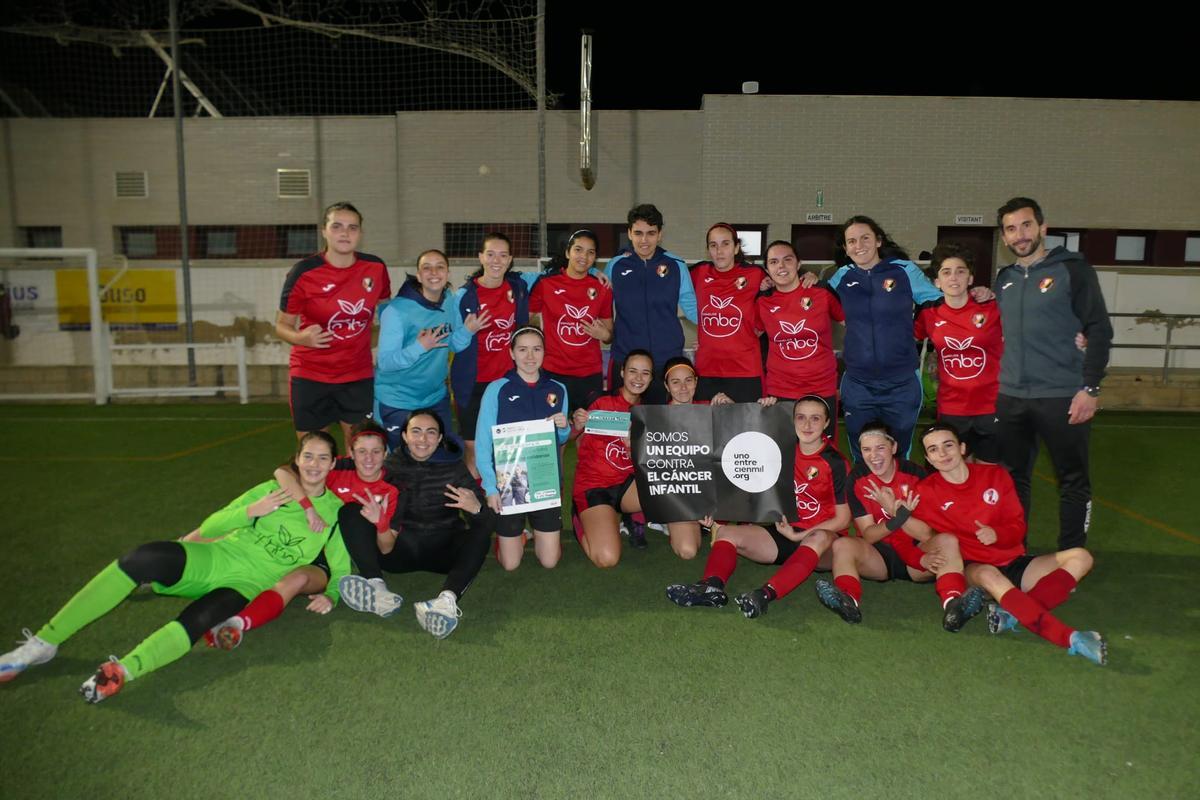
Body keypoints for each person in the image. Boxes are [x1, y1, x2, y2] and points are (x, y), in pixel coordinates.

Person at [0, 433, 352, 700]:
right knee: (142, 558)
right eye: (308, 456)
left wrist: (333, 595)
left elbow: (339, 566)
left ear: (333, 464)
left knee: (199, 619)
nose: (314, 464)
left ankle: (124, 669)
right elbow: (212, 526)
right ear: (297, 458)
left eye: (323, 458)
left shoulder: (335, 514)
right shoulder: (271, 490)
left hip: (247, 585)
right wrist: (251, 511)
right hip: (217, 558)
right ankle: (45, 642)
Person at [908, 423, 1106, 664]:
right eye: (934, 449)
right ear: (928, 458)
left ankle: (1011, 612)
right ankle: (1070, 638)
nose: (943, 454)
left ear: (961, 447)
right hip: (976, 570)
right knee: (989, 574)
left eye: (948, 445)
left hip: (1012, 561)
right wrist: (894, 513)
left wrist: (997, 534)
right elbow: (913, 534)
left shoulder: (995, 475)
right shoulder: (926, 492)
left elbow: (1017, 525)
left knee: (1081, 557)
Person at [201, 421, 398, 649]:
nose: (369, 458)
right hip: (304, 541)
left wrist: (380, 522)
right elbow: (282, 472)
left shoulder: (391, 487)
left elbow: (386, 548)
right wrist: (308, 507)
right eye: (362, 451)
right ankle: (176, 553)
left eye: (376, 452)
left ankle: (236, 624)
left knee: (348, 515)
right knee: (219, 534)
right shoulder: (334, 468)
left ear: (386, 453)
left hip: (339, 554)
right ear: (350, 454)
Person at [994, 197, 1113, 549]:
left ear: (1043, 227)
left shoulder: (1073, 269)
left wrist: (1089, 388)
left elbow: (1100, 329)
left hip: (1063, 394)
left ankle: (1070, 559)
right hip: (1012, 396)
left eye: (1026, 225)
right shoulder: (1004, 279)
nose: (1020, 234)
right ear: (1003, 238)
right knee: (1014, 480)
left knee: (1072, 481)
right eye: (1011, 229)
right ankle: (1015, 553)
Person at [665, 396, 851, 618]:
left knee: (818, 537)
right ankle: (711, 588)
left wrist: (797, 535)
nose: (807, 425)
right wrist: (745, 408)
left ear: (827, 423)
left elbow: (843, 519)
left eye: (815, 418)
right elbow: (741, 456)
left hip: (824, 544)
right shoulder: (781, 447)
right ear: (791, 420)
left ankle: (764, 595)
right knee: (726, 532)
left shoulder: (836, 462)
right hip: (785, 532)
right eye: (800, 417)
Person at [813, 421, 984, 631]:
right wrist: (897, 518)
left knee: (948, 540)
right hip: (878, 558)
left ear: (893, 448)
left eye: (880, 448)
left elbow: (926, 534)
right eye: (866, 450)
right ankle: (848, 601)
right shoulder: (857, 479)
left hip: (918, 556)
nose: (873, 456)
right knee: (844, 545)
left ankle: (954, 605)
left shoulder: (916, 475)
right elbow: (869, 536)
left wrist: (896, 514)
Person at [336, 410, 492, 639]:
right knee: (350, 511)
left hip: (443, 551)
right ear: (405, 436)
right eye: (416, 432)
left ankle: (445, 601)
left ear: (439, 439)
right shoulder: (389, 465)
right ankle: (377, 588)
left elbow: (488, 522)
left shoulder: (454, 467)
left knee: (480, 534)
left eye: (431, 433)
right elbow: (319, 469)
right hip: (397, 551)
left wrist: (476, 509)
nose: (423, 439)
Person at [827, 216, 943, 460]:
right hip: (858, 384)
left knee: (898, 455)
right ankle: (864, 499)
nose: (859, 245)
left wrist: (918, 329)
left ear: (878, 241)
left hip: (901, 383)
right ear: (845, 249)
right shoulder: (841, 277)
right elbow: (812, 304)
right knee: (863, 455)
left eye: (865, 238)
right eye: (851, 241)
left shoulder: (903, 270)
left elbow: (940, 302)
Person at [276, 202, 391, 440]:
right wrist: (301, 337)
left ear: (360, 233)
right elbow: (281, 326)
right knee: (315, 453)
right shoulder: (304, 272)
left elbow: (388, 311)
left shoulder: (376, 268)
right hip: (311, 376)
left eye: (352, 227)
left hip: (357, 376)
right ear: (324, 231)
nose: (345, 233)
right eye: (337, 226)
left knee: (363, 452)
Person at [474, 326, 570, 571]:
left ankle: (541, 534)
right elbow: (484, 442)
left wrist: (563, 427)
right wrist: (490, 487)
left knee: (549, 562)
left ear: (544, 352)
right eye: (523, 349)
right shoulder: (497, 389)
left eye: (536, 349)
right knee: (510, 564)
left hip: (544, 481)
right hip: (509, 482)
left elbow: (560, 438)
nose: (530, 356)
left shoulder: (558, 389)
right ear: (512, 353)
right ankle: (519, 536)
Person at [375, 249, 480, 449]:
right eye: (427, 268)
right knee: (401, 466)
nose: (434, 272)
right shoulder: (396, 311)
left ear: (448, 273)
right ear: (419, 275)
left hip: (434, 398)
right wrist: (419, 347)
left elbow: (453, 344)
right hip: (398, 400)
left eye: (440, 267)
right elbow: (385, 363)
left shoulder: (449, 301)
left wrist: (467, 331)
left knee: (443, 460)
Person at [450, 231, 534, 477]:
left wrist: (595, 272)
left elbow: (558, 270)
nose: (496, 260)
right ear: (481, 257)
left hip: (508, 383)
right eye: (490, 254)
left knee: (509, 449)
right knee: (474, 450)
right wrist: (468, 330)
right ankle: (479, 511)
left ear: (510, 260)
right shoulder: (463, 296)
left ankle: (508, 509)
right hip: (473, 385)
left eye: (503, 255)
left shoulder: (518, 288)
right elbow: (453, 344)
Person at [914, 243, 1004, 463]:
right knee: (952, 475)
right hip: (952, 408)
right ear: (937, 281)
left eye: (960, 271)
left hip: (991, 406)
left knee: (987, 478)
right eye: (946, 272)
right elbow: (905, 341)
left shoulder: (992, 308)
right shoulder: (928, 313)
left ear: (970, 278)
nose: (953, 278)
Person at [570, 350, 656, 567]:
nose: (638, 378)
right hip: (594, 486)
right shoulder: (599, 401)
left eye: (645, 373)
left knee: (669, 481)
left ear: (652, 378)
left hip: (626, 487)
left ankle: (633, 516)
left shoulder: (648, 412)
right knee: (607, 559)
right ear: (621, 372)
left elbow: (653, 461)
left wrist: (632, 447)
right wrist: (576, 426)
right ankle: (579, 517)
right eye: (633, 371)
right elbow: (567, 438)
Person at [605, 204, 697, 404]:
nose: (644, 240)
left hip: (666, 359)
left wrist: (714, 338)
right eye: (638, 233)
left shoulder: (675, 265)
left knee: (662, 427)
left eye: (651, 233)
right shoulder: (615, 266)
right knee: (621, 425)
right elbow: (596, 298)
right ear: (629, 233)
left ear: (660, 234)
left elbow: (692, 308)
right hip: (627, 358)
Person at [756, 240, 845, 440]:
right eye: (774, 262)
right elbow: (749, 335)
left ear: (798, 264)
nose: (781, 266)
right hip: (781, 389)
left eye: (787, 260)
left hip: (821, 387)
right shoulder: (763, 300)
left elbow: (851, 324)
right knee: (785, 455)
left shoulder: (821, 291)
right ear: (767, 270)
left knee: (823, 454)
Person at [529, 229, 613, 419]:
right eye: (578, 250)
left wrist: (604, 335)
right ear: (568, 252)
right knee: (555, 434)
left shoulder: (602, 288)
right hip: (554, 373)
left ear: (595, 258)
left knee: (589, 434)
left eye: (590, 252)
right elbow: (524, 321)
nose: (584, 256)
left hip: (589, 374)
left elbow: (610, 335)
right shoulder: (545, 284)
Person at [690, 223, 766, 402]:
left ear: (736, 247)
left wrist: (809, 277)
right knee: (706, 429)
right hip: (707, 369)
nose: (719, 251)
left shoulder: (755, 274)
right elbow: (666, 280)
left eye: (725, 244)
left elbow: (785, 285)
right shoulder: (699, 272)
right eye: (713, 245)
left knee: (744, 428)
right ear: (708, 249)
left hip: (745, 371)